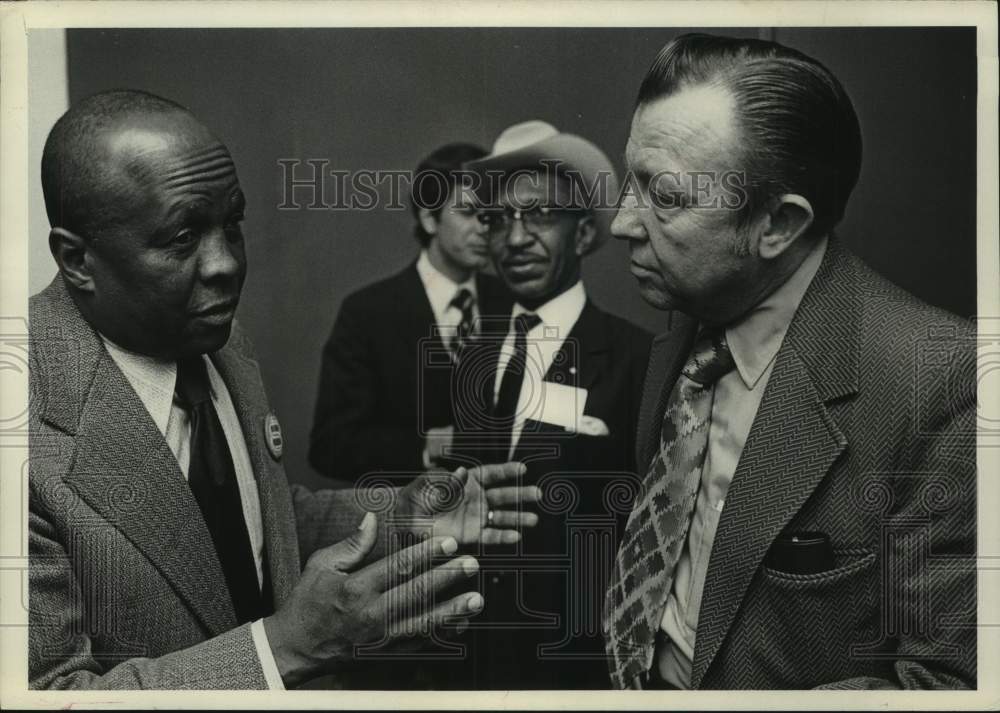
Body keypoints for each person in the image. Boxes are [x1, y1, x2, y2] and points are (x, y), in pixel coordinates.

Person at [29, 89, 540, 690]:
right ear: (76, 260)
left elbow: (260, 522)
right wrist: (281, 650)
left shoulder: (223, 344)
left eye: (232, 224)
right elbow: (51, 697)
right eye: (181, 238)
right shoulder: (23, 430)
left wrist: (400, 512)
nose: (226, 265)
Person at [603, 33, 976, 690]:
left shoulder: (943, 386)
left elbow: (951, 685)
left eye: (665, 197)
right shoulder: (686, 322)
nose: (621, 223)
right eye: (630, 180)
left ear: (777, 224)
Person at [447, 121, 652, 689]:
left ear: (585, 234)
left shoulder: (637, 358)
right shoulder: (474, 352)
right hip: (470, 657)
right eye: (497, 220)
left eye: (538, 215)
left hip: (577, 662)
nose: (514, 239)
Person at [309, 143, 512, 482]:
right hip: (413, 526)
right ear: (429, 218)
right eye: (467, 212)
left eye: (491, 215)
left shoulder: (513, 303)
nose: (484, 228)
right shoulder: (367, 313)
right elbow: (330, 445)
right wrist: (427, 445)